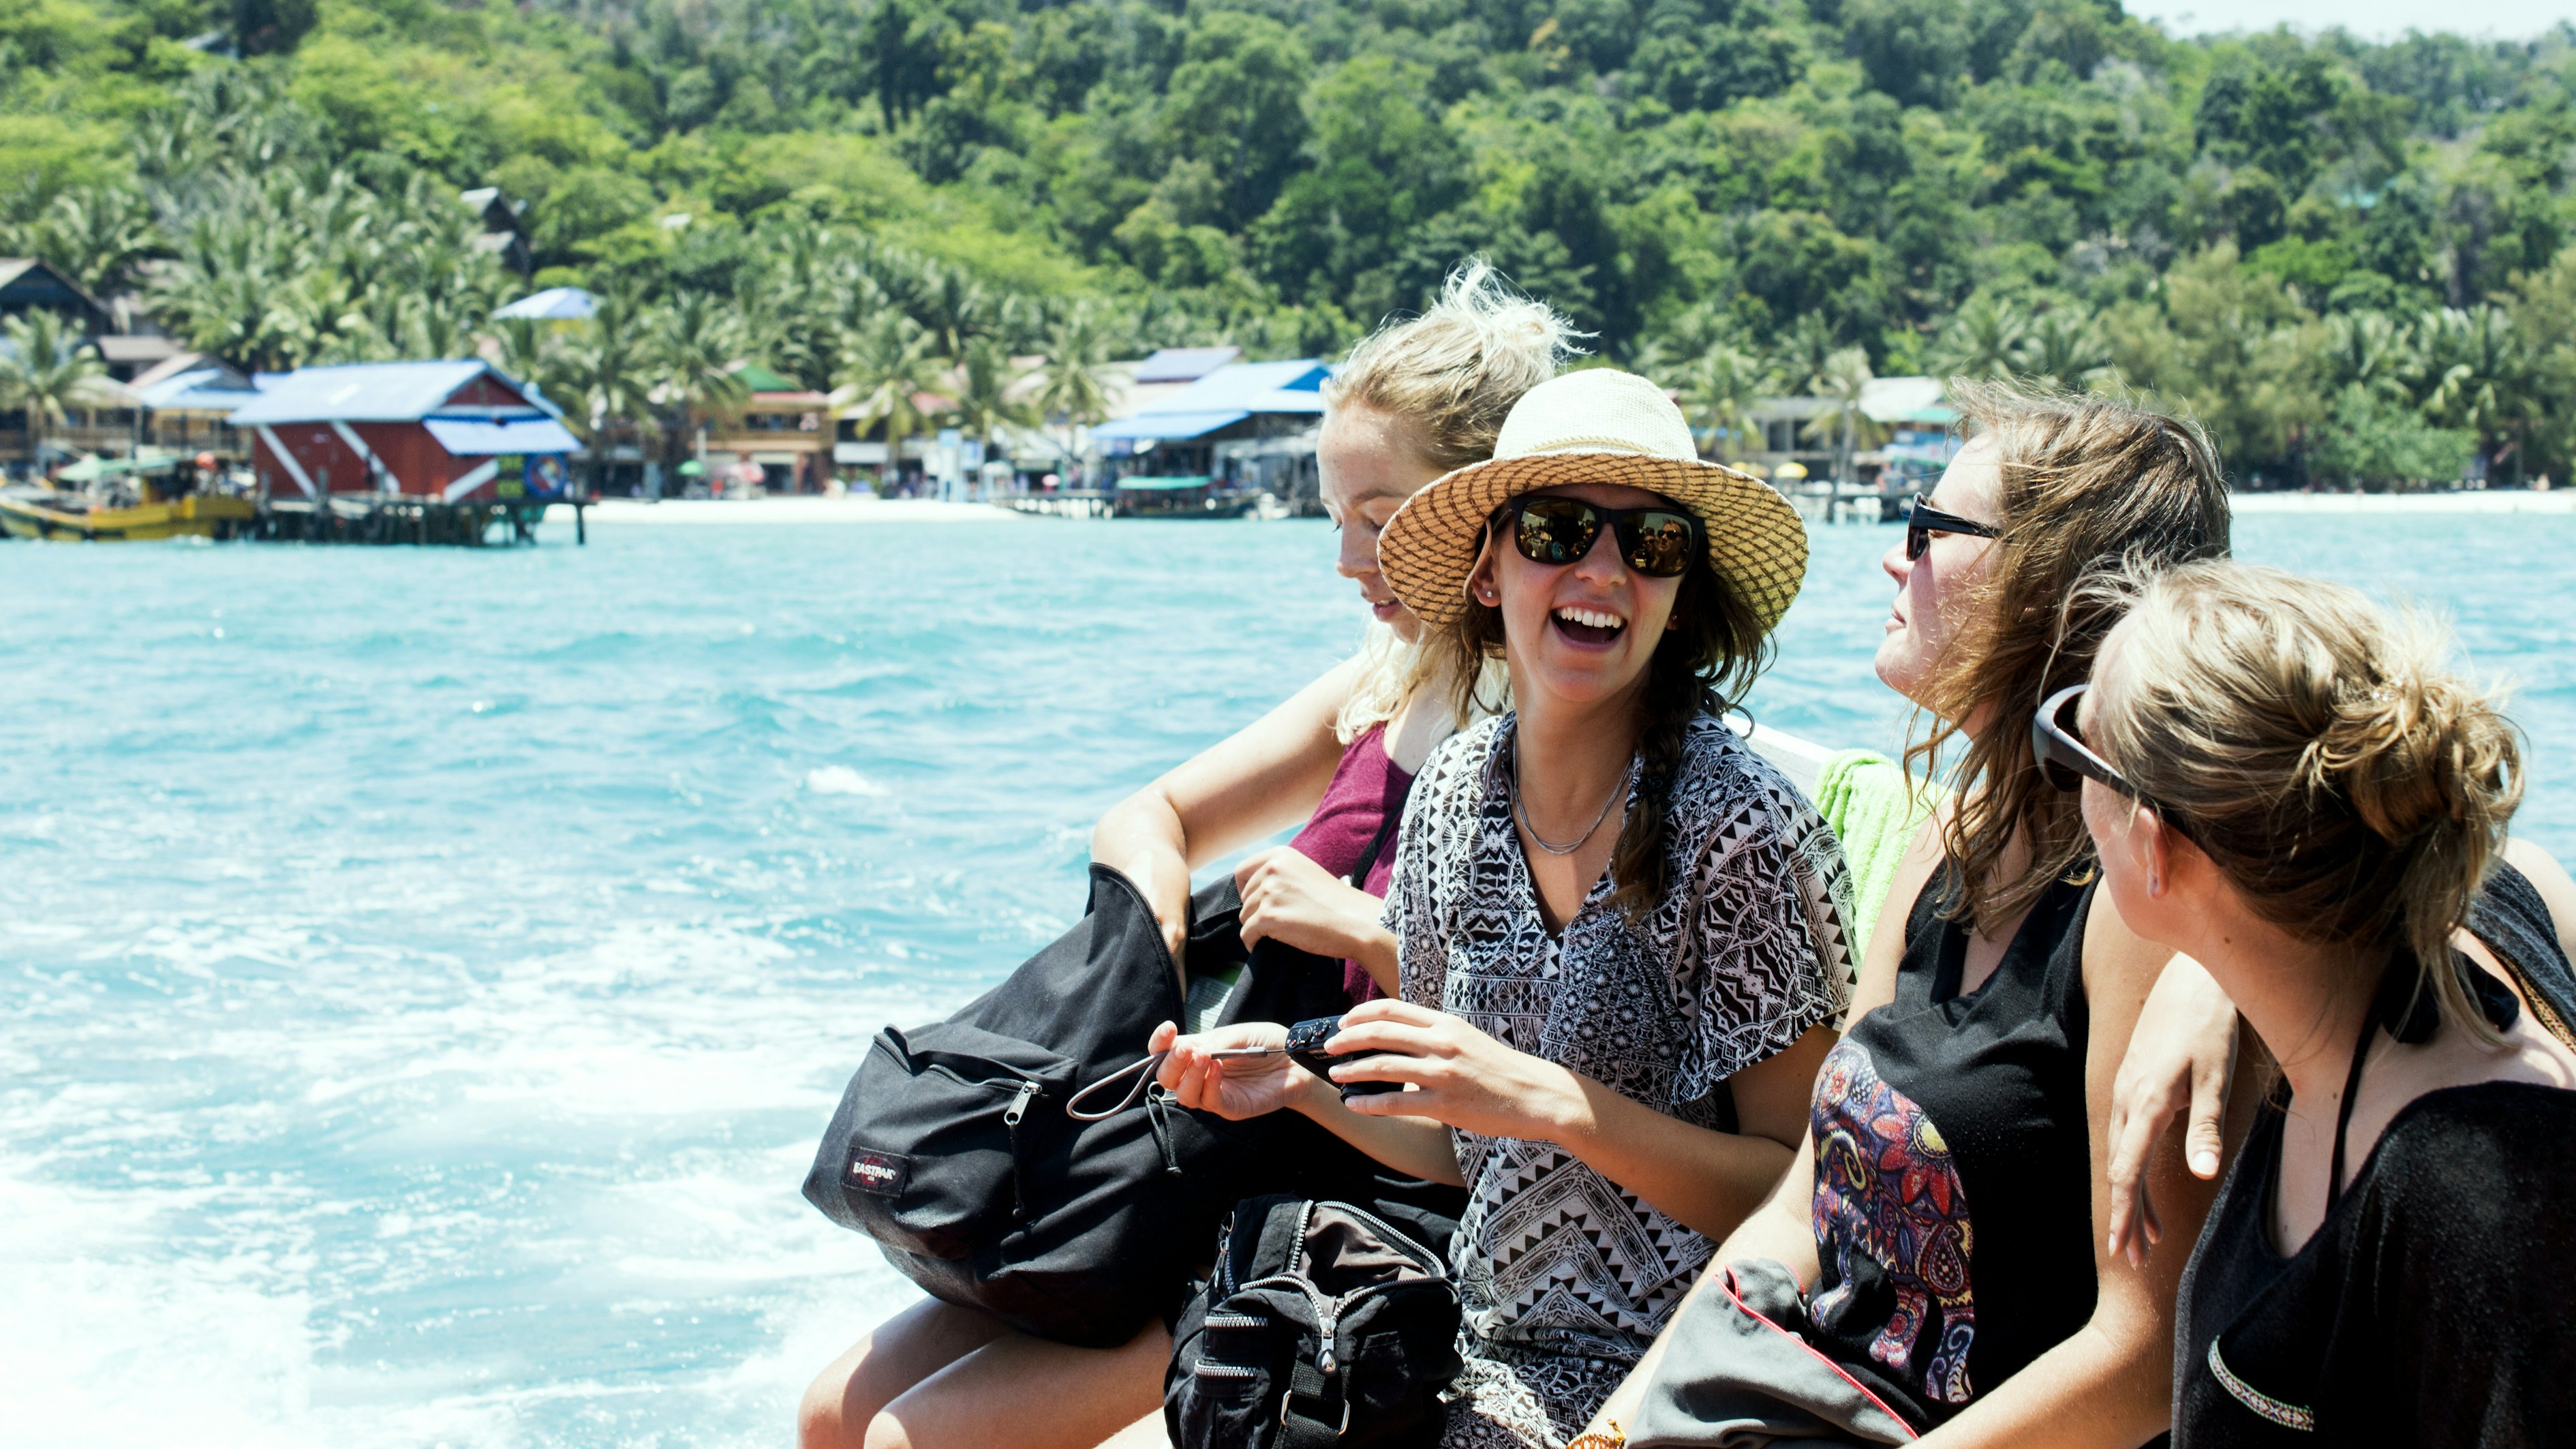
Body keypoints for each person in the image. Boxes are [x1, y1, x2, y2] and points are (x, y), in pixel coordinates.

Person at [796, 262, 1580, 1449]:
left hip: (1341, 1197)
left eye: (1378, 520)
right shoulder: (1379, 690)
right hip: (1191, 1154)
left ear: (1477, 513)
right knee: (828, 1411)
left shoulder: (1554, 735)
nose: (1346, 559)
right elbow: (1147, 815)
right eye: (1335, 520)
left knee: (913, 1439)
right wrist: (1146, 956)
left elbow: (1551, 1041)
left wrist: (1362, 930)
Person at [1160, 367, 1854, 1449]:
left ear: (1681, 593)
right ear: (1490, 567)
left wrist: (1547, 1099)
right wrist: (1300, 1085)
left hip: (1695, 1377)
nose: (1603, 570)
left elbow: (1802, 1197)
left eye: (1650, 543)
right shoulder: (1449, 799)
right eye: (1559, 528)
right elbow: (1461, 1146)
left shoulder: (1743, 831)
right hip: (1483, 1354)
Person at [1580, 382, 2235, 1449]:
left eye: (1930, 526)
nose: (1900, 554)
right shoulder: (1951, 839)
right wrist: (1613, 1429)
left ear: (2047, 585)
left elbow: (2144, 1354)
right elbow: (1801, 1209)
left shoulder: (2137, 911)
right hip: (1806, 1396)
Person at [2061, 564, 2576, 1446]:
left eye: (2071, 749)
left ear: (2155, 845)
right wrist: (2204, 971)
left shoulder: (2477, 1186)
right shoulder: (2400, 933)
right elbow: (2567, 907)